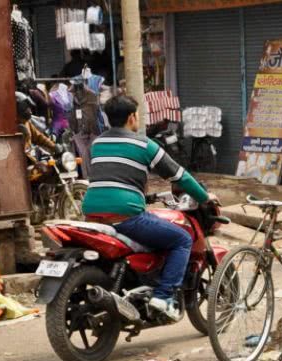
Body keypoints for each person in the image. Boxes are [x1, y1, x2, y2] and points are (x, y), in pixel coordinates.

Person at [81, 94, 211, 319]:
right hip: (125, 217)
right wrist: (205, 197)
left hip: (91, 215)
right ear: (132, 117)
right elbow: (180, 177)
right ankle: (164, 296)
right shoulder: (143, 143)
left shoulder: (97, 143)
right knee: (181, 240)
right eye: (137, 114)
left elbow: (112, 175)